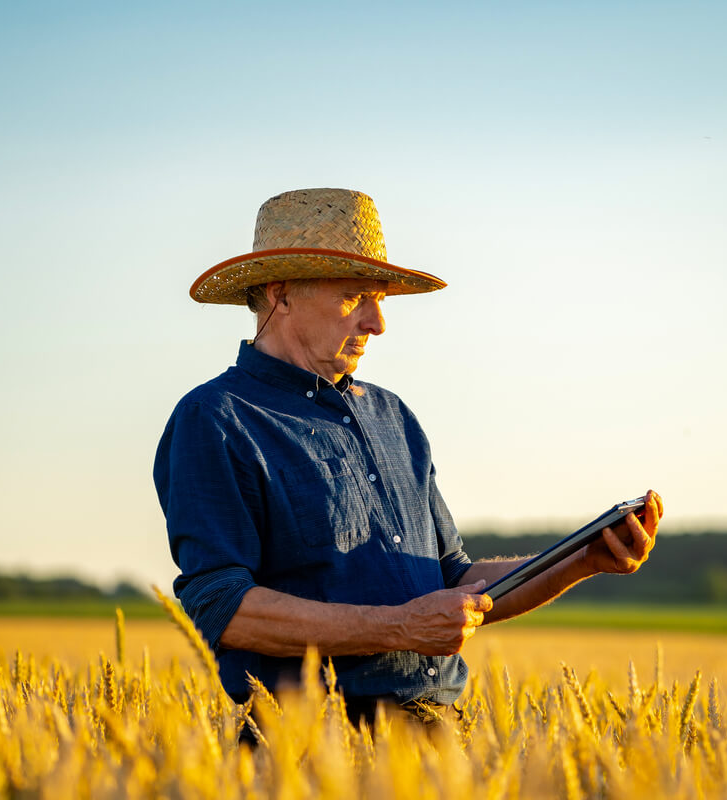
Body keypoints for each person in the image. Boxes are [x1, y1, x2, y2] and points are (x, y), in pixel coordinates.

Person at [154, 188, 663, 723]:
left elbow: (454, 582)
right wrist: (398, 627)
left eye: (380, 299)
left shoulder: (392, 416)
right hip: (307, 746)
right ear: (280, 295)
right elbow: (223, 606)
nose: (378, 323)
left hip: (440, 736)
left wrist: (579, 561)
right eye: (355, 297)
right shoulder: (216, 418)